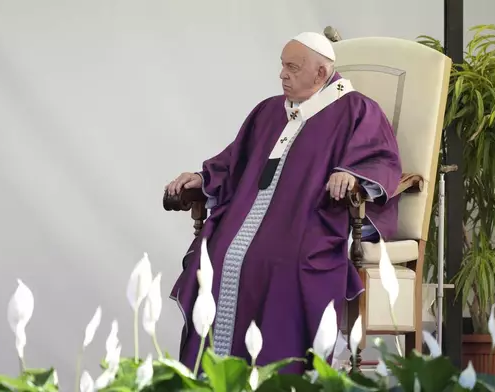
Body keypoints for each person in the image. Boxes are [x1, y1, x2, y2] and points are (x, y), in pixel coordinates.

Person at [166, 31, 402, 373]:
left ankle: (283, 375)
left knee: (282, 261)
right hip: (250, 218)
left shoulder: (357, 109)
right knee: (214, 255)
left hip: (313, 220)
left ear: (321, 74)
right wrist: (203, 179)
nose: (282, 74)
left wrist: (351, 174)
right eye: (282, 66)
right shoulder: (268, 112)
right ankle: (212, 376)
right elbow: (234, 162)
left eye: (292, 67)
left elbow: (381, 159)